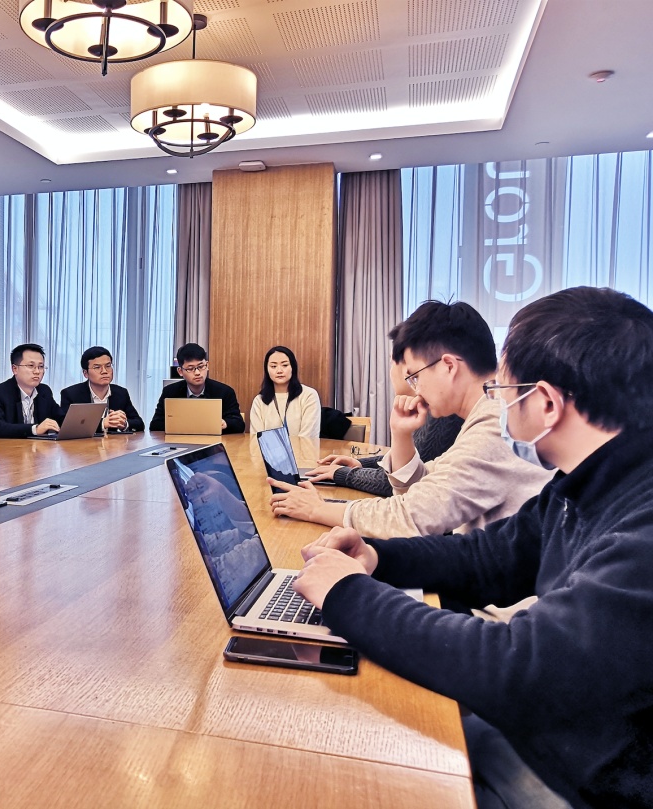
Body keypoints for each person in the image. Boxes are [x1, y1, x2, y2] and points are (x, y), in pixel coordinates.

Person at [292, 287, 653, 808]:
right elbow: (491, 557)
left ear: (546, 402)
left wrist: (346, 594)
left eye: (506, 388)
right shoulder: (582, 483)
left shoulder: (641, 527)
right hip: (557, 736)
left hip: (587, 782)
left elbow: (517, 665)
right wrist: (378, 557)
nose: (498, 400)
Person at [269, 301, 552, 537]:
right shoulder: (484, 414)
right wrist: (401, 435)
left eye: (415, 376)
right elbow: (423, 486)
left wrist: (318, 509)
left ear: (448, 366)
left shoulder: (497, 422)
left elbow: (411, 516)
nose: (415, 388)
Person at [306, 359, 463, 496]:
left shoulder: (442, 413)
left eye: (392, 362)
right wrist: (361, 463)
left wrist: (342, 474)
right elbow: (407, 464)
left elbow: (403, 481)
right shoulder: (429, 408)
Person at [149, 343, 245, 434]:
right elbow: (155, 425)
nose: (197, 373)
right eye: (190, 369)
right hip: (180, 442)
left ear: (207, 365)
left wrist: (225, 423)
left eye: (201, 366)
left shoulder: (224, 392)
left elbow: (239, 424)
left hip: (214, 443)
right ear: (180, 371)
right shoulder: (170, 392)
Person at [59, 346, 145, 433]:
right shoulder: (71, 394)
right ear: (85, 373)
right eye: (97, 367)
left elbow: (139, 423)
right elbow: (67, 426)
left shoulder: (121, 393)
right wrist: (102, 424)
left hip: (113, 442)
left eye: (108, 366)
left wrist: (124, 423)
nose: (104, 371)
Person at [0, 343, 60, 438]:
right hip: (8, 446)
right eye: (31, 366)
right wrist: (34, 429)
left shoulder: (44, 391)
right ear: (15, 369)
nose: (37, 371)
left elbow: (61, 418)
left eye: (41, 366)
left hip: (38, 446)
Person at [248, 346, 321, 439]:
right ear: (267, 370)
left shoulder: (309, 395)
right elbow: (257, 439)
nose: (279, 371)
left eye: (285, 365)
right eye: (273, 366)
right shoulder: (259, 400)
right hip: (269, 449)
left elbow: (308, 437)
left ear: (293, 367)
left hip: (303, 448)